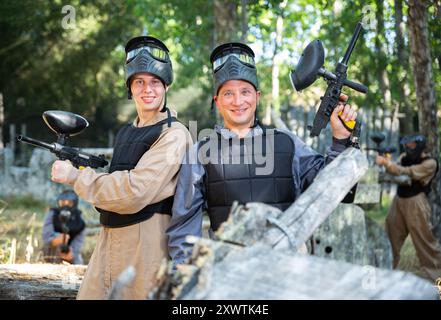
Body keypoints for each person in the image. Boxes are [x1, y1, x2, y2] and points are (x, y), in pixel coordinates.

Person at [167, 42, 359, 267]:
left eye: (245, 92)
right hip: (228, 273)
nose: (238, 101)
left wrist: (341, 140)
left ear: (257, 96)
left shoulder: (287, 144)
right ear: (217, 101)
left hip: (287, 270)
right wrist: (186, 276)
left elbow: (334, 190)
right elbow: (183, 228)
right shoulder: (200, 153)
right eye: (228, 93)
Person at [50, 35, 193, 299]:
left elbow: (134, 191)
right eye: (139, 82)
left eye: (154, 82)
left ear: (166, 87)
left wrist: (76, 177)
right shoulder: (127, 130)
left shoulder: (174, 134)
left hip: (146, 246)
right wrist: (81, 168)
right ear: (130, 88)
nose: (147, 89)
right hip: (108, 241)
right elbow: (116, 184)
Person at [376, 134, 441, 281]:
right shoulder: (404, 157)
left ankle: (438, 278)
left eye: (412, 145)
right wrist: (386, 163)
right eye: (407, 144)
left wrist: (387, 164)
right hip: (398, 201)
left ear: (419, 145)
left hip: (416, 203)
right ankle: (383, 274)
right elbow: (395, 171)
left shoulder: (430, 163)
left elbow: (410, 172)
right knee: (389, 238)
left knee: (425, 242)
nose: (409, 147)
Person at [42, 190, 86, 264]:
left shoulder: (79, 218)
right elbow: (46, 236)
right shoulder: (52, 214)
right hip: (51, 252)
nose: (65, 205)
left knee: (77, 262)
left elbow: (79, 240)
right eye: (62, 202)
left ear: (74, 203)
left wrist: (72, 254)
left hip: (72, 254)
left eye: (69, 203)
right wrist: (56, 240)